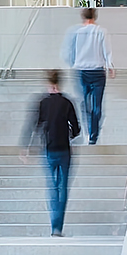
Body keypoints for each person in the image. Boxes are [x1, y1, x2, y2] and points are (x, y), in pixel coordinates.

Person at [22, 69, 80, 237]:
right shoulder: (67, 103)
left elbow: (33, 125)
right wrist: (69, 134)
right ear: (60, 82)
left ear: (48, 83)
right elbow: (76, 129)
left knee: (52, 188)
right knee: (63, 188)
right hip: (65, 150)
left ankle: (54, 225)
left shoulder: (43, 102)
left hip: (48, 149)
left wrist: (26, 146)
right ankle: (58, 227)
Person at [62, 7, 115, 145]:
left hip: (81, 71)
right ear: (94, 17)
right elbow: (107, 50)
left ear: (83, 17)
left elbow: (69, 52)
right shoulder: (101, 31)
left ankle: (87, 131)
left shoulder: (76, 32)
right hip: (98, 71)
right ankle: (93, 135)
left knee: (85, 103)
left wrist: (73, 63)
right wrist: (110, 66)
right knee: (97, 105)